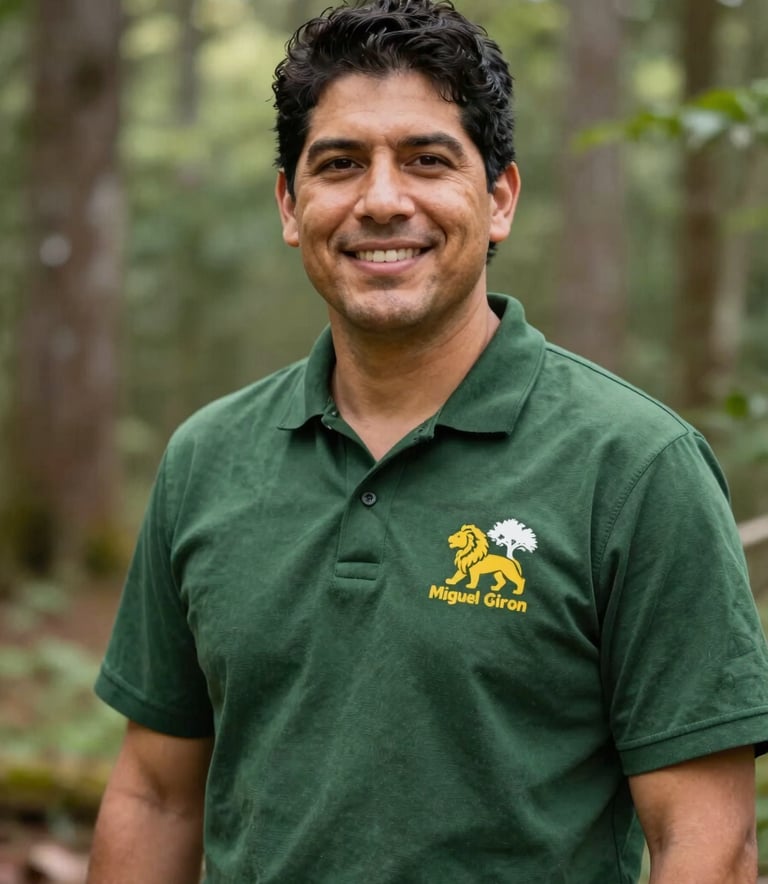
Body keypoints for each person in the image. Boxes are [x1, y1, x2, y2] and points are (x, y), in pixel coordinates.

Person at [86, 1, 768, 881]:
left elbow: (707, 843)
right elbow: (156, 793)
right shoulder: (208, 459)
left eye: (426, 160)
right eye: (339, 165)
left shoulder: (634, 465)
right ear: (292, 207)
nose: (381, 200)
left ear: (498, 201)